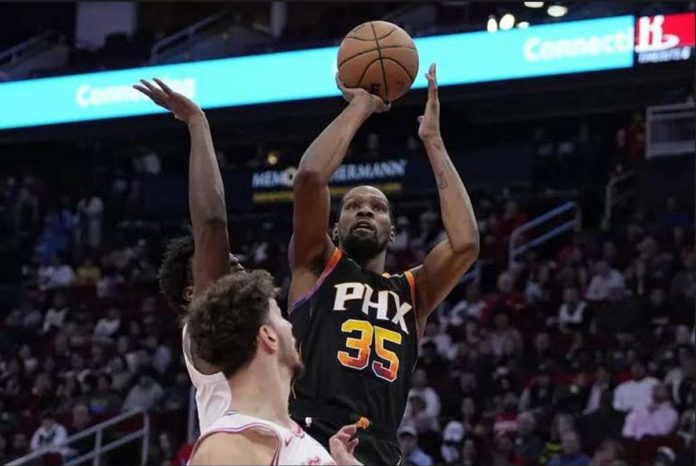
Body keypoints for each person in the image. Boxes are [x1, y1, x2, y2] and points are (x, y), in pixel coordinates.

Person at [287, 64, 479, 465]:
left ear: (392, 232)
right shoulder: (317, 264)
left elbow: (466, 244)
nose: (364, 212)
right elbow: (308, 179)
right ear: (335, 230)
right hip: (309, 436)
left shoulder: (413, 292)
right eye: (352, 206)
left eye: (377, 208)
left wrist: (433, 141)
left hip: (381, 448)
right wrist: (361, 105)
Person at [134, 79, 242, 434]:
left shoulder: (268, 330)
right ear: (192, 294)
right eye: (221, 263)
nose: (232, 262)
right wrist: (197, 123)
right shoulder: (204, 328)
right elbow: (211, 223)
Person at [186, 271, 359, 465]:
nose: (291, 326)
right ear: (269, 336)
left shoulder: (302, 443)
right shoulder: (226, 448)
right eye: (280, 316)